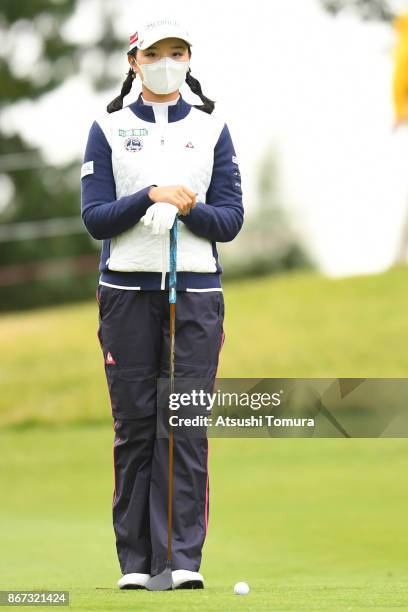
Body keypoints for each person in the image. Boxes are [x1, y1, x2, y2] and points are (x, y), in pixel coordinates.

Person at [80, 16, 244, 590]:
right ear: (135, 62)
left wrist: (183, 207)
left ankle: (181, 562)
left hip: (196, 294)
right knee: (136, 428)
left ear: (189, 60)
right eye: (156, 52)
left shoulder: (213, 126)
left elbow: (230, 220)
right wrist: (148, 195)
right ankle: (136, 565)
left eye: (178, 51)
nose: (167, 61)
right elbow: (95, 217)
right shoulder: (108, 127)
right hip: (126, 293)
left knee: (186, 426)